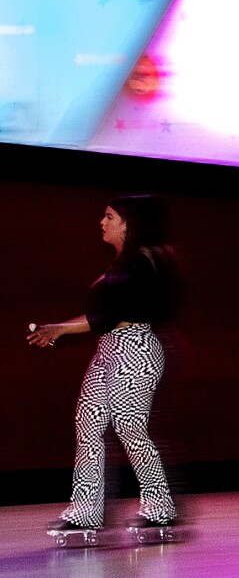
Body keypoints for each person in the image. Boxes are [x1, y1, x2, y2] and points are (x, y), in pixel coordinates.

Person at [27, 195, 182, 544]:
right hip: (110, 347)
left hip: (135, 349)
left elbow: (112, 314)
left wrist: (60, 330)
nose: (102, 221)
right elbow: (102, 319)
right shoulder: (120, 264)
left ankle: (160, 507)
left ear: (128, 223)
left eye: (109, 216)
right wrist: (57, 328)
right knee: (89, 422)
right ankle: (85, 512)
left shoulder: (143, 262)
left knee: (130, 427)